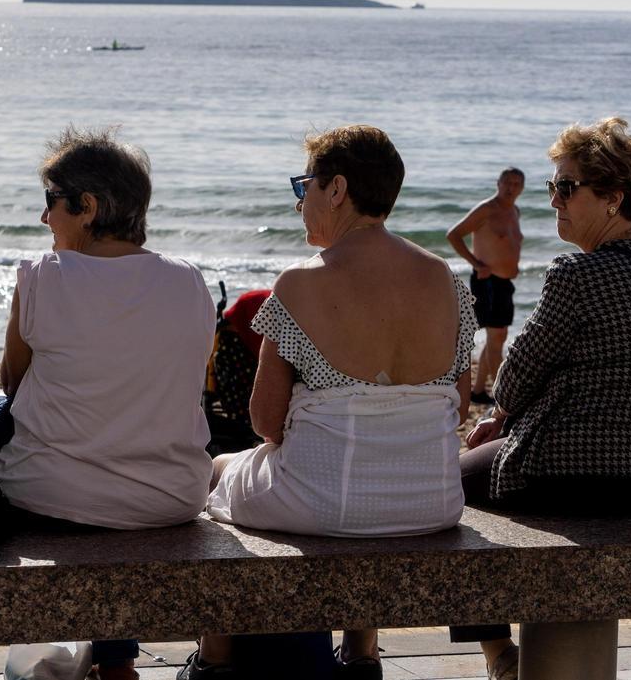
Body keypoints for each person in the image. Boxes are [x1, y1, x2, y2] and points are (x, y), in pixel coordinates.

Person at [187, 126, 477, 680]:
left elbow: (266, 422)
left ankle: (215, 658)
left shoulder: (299, 283)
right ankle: (362, 655)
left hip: (325, 503)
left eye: (305, 186)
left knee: (220, 469)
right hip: (430, 503)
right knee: (364, 463)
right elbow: (458, 407)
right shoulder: (444, 279)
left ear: (337, 188)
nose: (301, 203)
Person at [452, 118, 631, 679]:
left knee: (443, 489)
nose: (554, 200)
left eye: (567, 187)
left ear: (613, 198)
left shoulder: (579, 274)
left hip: (585, 468)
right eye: (552, 186)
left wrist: (498, 418)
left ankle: (498, 655)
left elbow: (517, 375)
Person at [0, 126, 215, 680]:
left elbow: (13, 386)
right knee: (111, 479)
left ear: (86, 207)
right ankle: (117, 663)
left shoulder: (42, 278)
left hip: (49, 494)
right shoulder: (189, 282)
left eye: (51, 203)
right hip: (169, 497)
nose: (45, 219)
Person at [447, 167, 525, 404]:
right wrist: (476, 263)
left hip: (505, 283)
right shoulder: (487, 209)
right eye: (507, 182)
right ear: (498, 183)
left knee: (496, 338)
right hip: (488, 282)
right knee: (497, 335)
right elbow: (454, 234)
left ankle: (479, 391)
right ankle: (503, 398)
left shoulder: (515, 211)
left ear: (522, 188)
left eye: (517, 184)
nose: (511, 187)